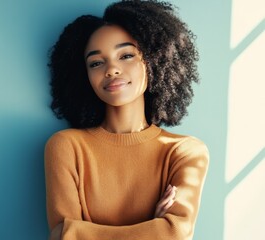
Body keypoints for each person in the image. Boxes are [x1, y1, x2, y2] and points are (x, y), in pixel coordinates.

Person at [44, 1, 209, 239]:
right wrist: (153, 227)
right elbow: (60, 234)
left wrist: (81, 232)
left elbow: (175, 233)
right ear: (84, 75)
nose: (111, 69)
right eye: (96, 62)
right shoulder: (66, 146)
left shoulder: (185, 151)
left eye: (126, 55)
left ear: (152, 61)